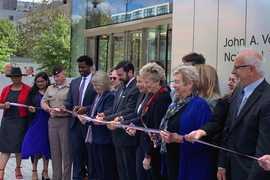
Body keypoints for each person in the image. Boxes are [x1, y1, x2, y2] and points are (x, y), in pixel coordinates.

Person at [217, 49, 270, 180]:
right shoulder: (237, 92)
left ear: (251, 70)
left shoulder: (267, 98)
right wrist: (222, 165)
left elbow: (264, 147)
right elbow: (228, 131)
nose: (233, 72)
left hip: (251, 173)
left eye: (236, 67)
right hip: (231, 169)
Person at [159, 65, 214, 180]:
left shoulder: (200, 105)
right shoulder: (175, 104)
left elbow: (206, 139)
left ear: (190, 84)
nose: (173, 86)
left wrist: (177, 139)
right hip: (173, 161)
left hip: (191, 164)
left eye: (177, 82)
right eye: (173, 82)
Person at [185, 72, 238, 178]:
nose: (229, 83)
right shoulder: (223, 102)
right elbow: (218, 126)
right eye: (229, 79)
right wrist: (201, 132)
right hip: (224, 158)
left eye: (234, 80)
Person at [96, 60, 140, 180]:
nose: (118, 78)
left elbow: (128, 111)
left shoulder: (135, 88)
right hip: (117, 137)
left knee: (129, 172)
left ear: (130, 72)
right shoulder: (121, 88)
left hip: (127, 137)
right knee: (121, 172)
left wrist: (104, 119)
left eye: (121, 75)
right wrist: (103, 114)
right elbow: (114, 109)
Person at [108, 71, 153, 180]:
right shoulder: (141, 94)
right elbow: (134, 113)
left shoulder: (152, 97)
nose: (137, 84)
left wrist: (120, 124)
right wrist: (122, 118)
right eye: (137, 81)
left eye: (140, 82)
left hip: (147, 141)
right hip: (139, 140)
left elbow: (143, 118)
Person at [60, 55, 97, 180]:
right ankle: (77, 177)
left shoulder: (96, 81)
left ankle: (92, 176)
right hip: (74, 124)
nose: (81, 70)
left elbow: (100, 102)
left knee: (90, 155)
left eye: (83, 67)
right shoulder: (75, 82)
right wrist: (64, 106)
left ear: (90, 66)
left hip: (89, 124)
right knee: (76, 154)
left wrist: (86, 108)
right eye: (79, 67)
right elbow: (70, 100)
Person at [78, 71, 116, 180]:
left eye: (97, 84)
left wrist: (87, 120)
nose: (95, 87)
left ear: (104, 83)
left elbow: (103, 116)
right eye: (94, 85)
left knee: (105, 168)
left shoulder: (109, 96)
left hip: (104, 137)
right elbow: (94, 114)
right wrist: (86, 116)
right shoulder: (98, 96)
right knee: (97, 166)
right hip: (95, 136)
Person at [40, 63, 72, 180]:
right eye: (54, 77)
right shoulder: (50, 88)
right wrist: (48, 110)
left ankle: (66, 178)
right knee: (55, 151)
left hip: (65, 120)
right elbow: (43, 102)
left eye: (58, 76)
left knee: (66, 152)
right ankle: (56, 177)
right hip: (52, 120)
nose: (56, 78)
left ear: (64, 74)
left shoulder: (71, 87)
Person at [0, 67, 30, 180]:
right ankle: (1, 171)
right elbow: (0, 104)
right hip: (8, 120)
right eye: (14, 76)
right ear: (11, 77)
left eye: (18, 76)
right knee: (5, 147)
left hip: (21, 120)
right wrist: (4, 105)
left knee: (19, 146)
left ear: (21, 77)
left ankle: (18, 168)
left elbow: (30, 104)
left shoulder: (28, 89)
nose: (16, 78)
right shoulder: (6, 89)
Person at [21, 72, 51, 180]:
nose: (39, 83)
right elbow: (26, 107)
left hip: (48, 122)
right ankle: (34, 172)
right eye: (37, 81)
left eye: (42, 81)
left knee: (46, 147)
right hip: (36, 121)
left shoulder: (51, 90)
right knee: (35, 147)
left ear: (47, 81)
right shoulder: (32, 92)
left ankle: (45, 172)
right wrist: (31, 110)